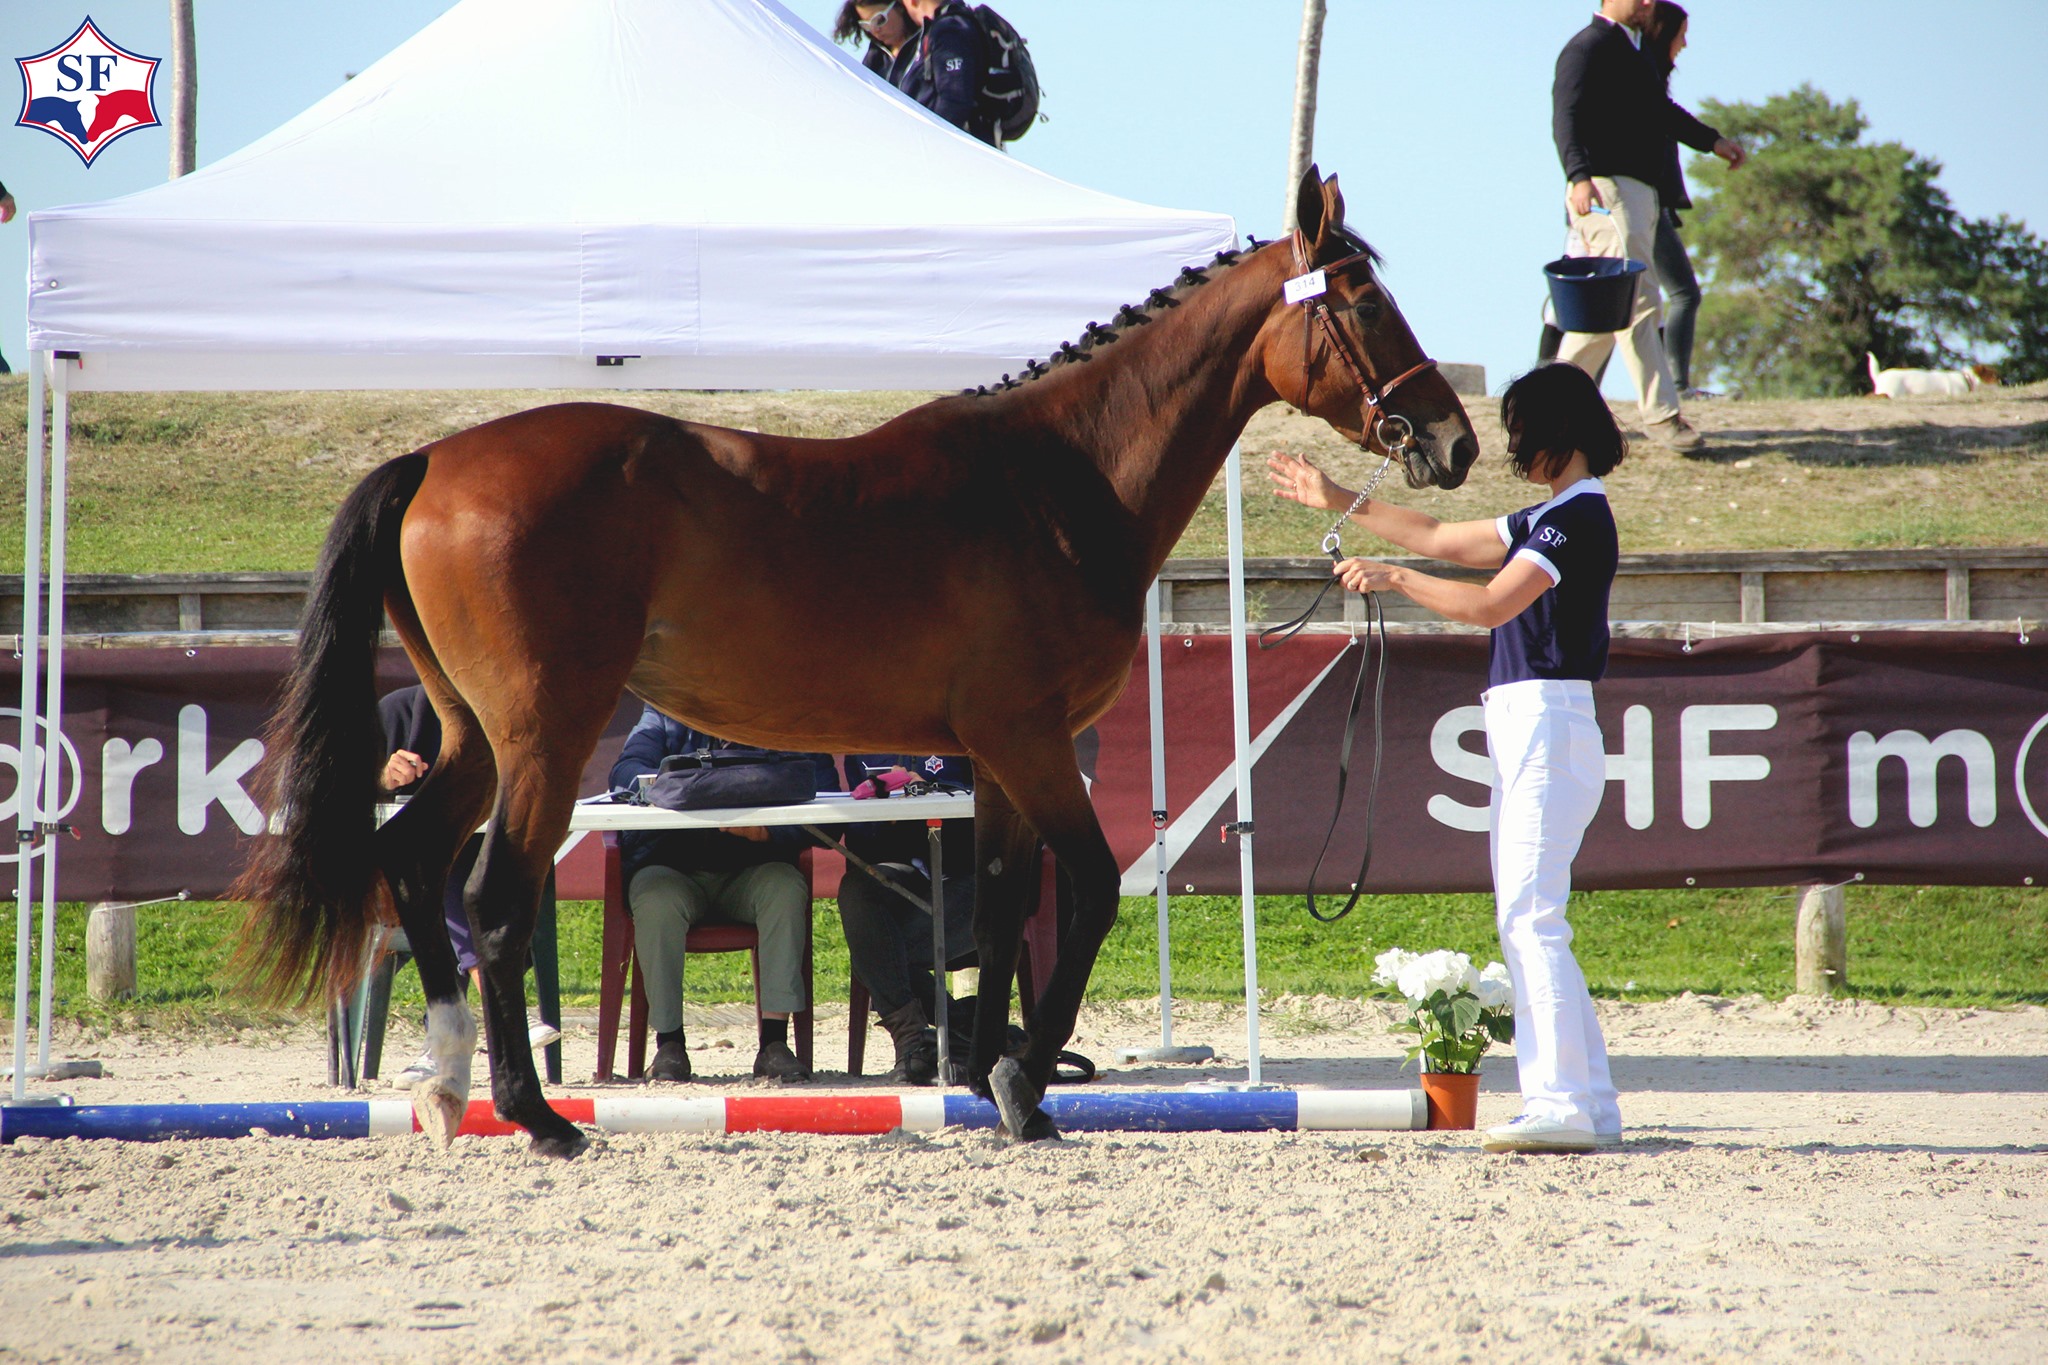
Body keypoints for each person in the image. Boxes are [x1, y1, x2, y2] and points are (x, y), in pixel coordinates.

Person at [1267, 362, 1626, 1154]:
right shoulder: (1549, 515)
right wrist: (1337, 498)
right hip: (1532, 726)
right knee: (1535, 918)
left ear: (1558, 432)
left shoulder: (1574, 519)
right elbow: (1436, 536)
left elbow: (1492, 603)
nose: (1514, 447)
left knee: (1530, 917)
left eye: (1522, 432)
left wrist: (1394, 578)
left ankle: (1562, 1101)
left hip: (1547, 723)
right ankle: (1589, 1101)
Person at [1551, 0, 1743, 453]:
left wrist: (1712, 141)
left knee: (1604, 312)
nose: (1648, 3)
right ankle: (1662, 416)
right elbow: (1566, 115)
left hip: (1637, 194)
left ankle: (1549, 412)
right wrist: (1578, 176)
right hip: (1608, 191)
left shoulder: (1630, 49)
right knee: (1636, 301)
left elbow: (1660, 109)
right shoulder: (1587, 46)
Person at [607, 706, 836, 1083]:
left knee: (785, 888)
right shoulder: (667, 713)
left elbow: (823, 791)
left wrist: (769, 832)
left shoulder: (782, 712)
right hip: (672, 868)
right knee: (656, 900)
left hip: (753, 870)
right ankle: (669, 1044)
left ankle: (774, 1044)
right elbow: (626, 771)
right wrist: (687, 788)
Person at [377, 685, 561, 1088]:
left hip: (481, 865)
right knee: (445, 872)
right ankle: (507, 1015)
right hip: (400, 878)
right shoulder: (397, 711)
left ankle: (441, 1042)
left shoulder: (501, 709)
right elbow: (338, 790)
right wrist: (384, 778)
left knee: (459, 876)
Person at [837, 753, 976, 1084]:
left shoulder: (965, 733)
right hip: (907, 870)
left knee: (877, 952)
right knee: (858, 890)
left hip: (970, 873)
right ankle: (915, 1038)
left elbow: (995, 818)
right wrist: (885, 815)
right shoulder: (864, 744)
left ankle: (957, 1028)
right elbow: (859, 840)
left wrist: (933, 797)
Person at [1641, 1, 1739, 398]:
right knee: (1681, 293)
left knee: (1625, 302)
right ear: (1664, 33)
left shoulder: (1648, 77)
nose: (1685, 44)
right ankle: (1677, 386)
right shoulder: (1641, 77)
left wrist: (1712, 141)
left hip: (1647, 201)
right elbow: (1667, 116)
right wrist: (1713, 141)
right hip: (1639, 201)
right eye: (1681, 34)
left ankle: (1670, 386)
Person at [898, 0, 996, 144]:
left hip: (953, 147)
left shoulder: (950, 29)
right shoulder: (949, 25)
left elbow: (954, 99)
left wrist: (931, 142)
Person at [837, 0, 921, 89]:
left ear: (899, 6)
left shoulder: (927, 45)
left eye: (879, 20)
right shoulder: (874, 60)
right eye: (867, 25)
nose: (875, 30)